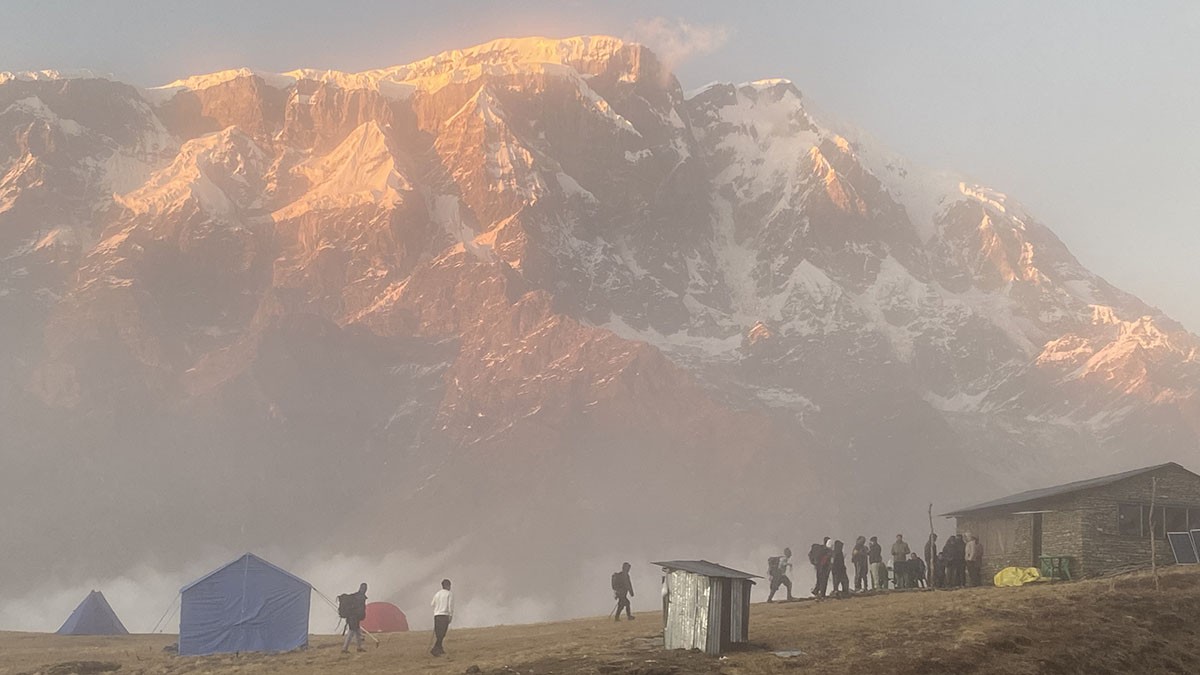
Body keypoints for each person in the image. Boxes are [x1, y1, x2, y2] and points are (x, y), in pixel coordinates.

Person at [339, 582, 368, 654]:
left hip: (353, 617)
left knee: (357, 632)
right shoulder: (360, 597)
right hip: (354, 618)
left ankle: (359, 647)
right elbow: (360, 609)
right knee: (351, 632)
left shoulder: (355, 596)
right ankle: (344, 649)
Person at [431, 579, 453, 656]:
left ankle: (440, 649)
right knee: (442, 633)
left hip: (437, 615)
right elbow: (450, 606)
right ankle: (435, 649)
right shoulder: (449, 594)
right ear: (448, 586)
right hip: (444, 615)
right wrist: (450, 616)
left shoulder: (437, 594)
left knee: (438, 633)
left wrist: (437, 608)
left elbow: (432, 604)